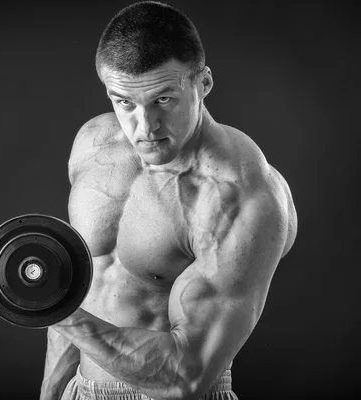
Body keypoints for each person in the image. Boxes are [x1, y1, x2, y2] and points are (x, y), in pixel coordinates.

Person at [39, 2, 298, 400]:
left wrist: (46, 309)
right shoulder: (94, 145)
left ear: (203, 83)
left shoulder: (239, 196)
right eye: (124, 101)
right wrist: (52, 392)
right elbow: (86, 288)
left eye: (163, 99)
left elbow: (184, 377)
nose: (145, 128)